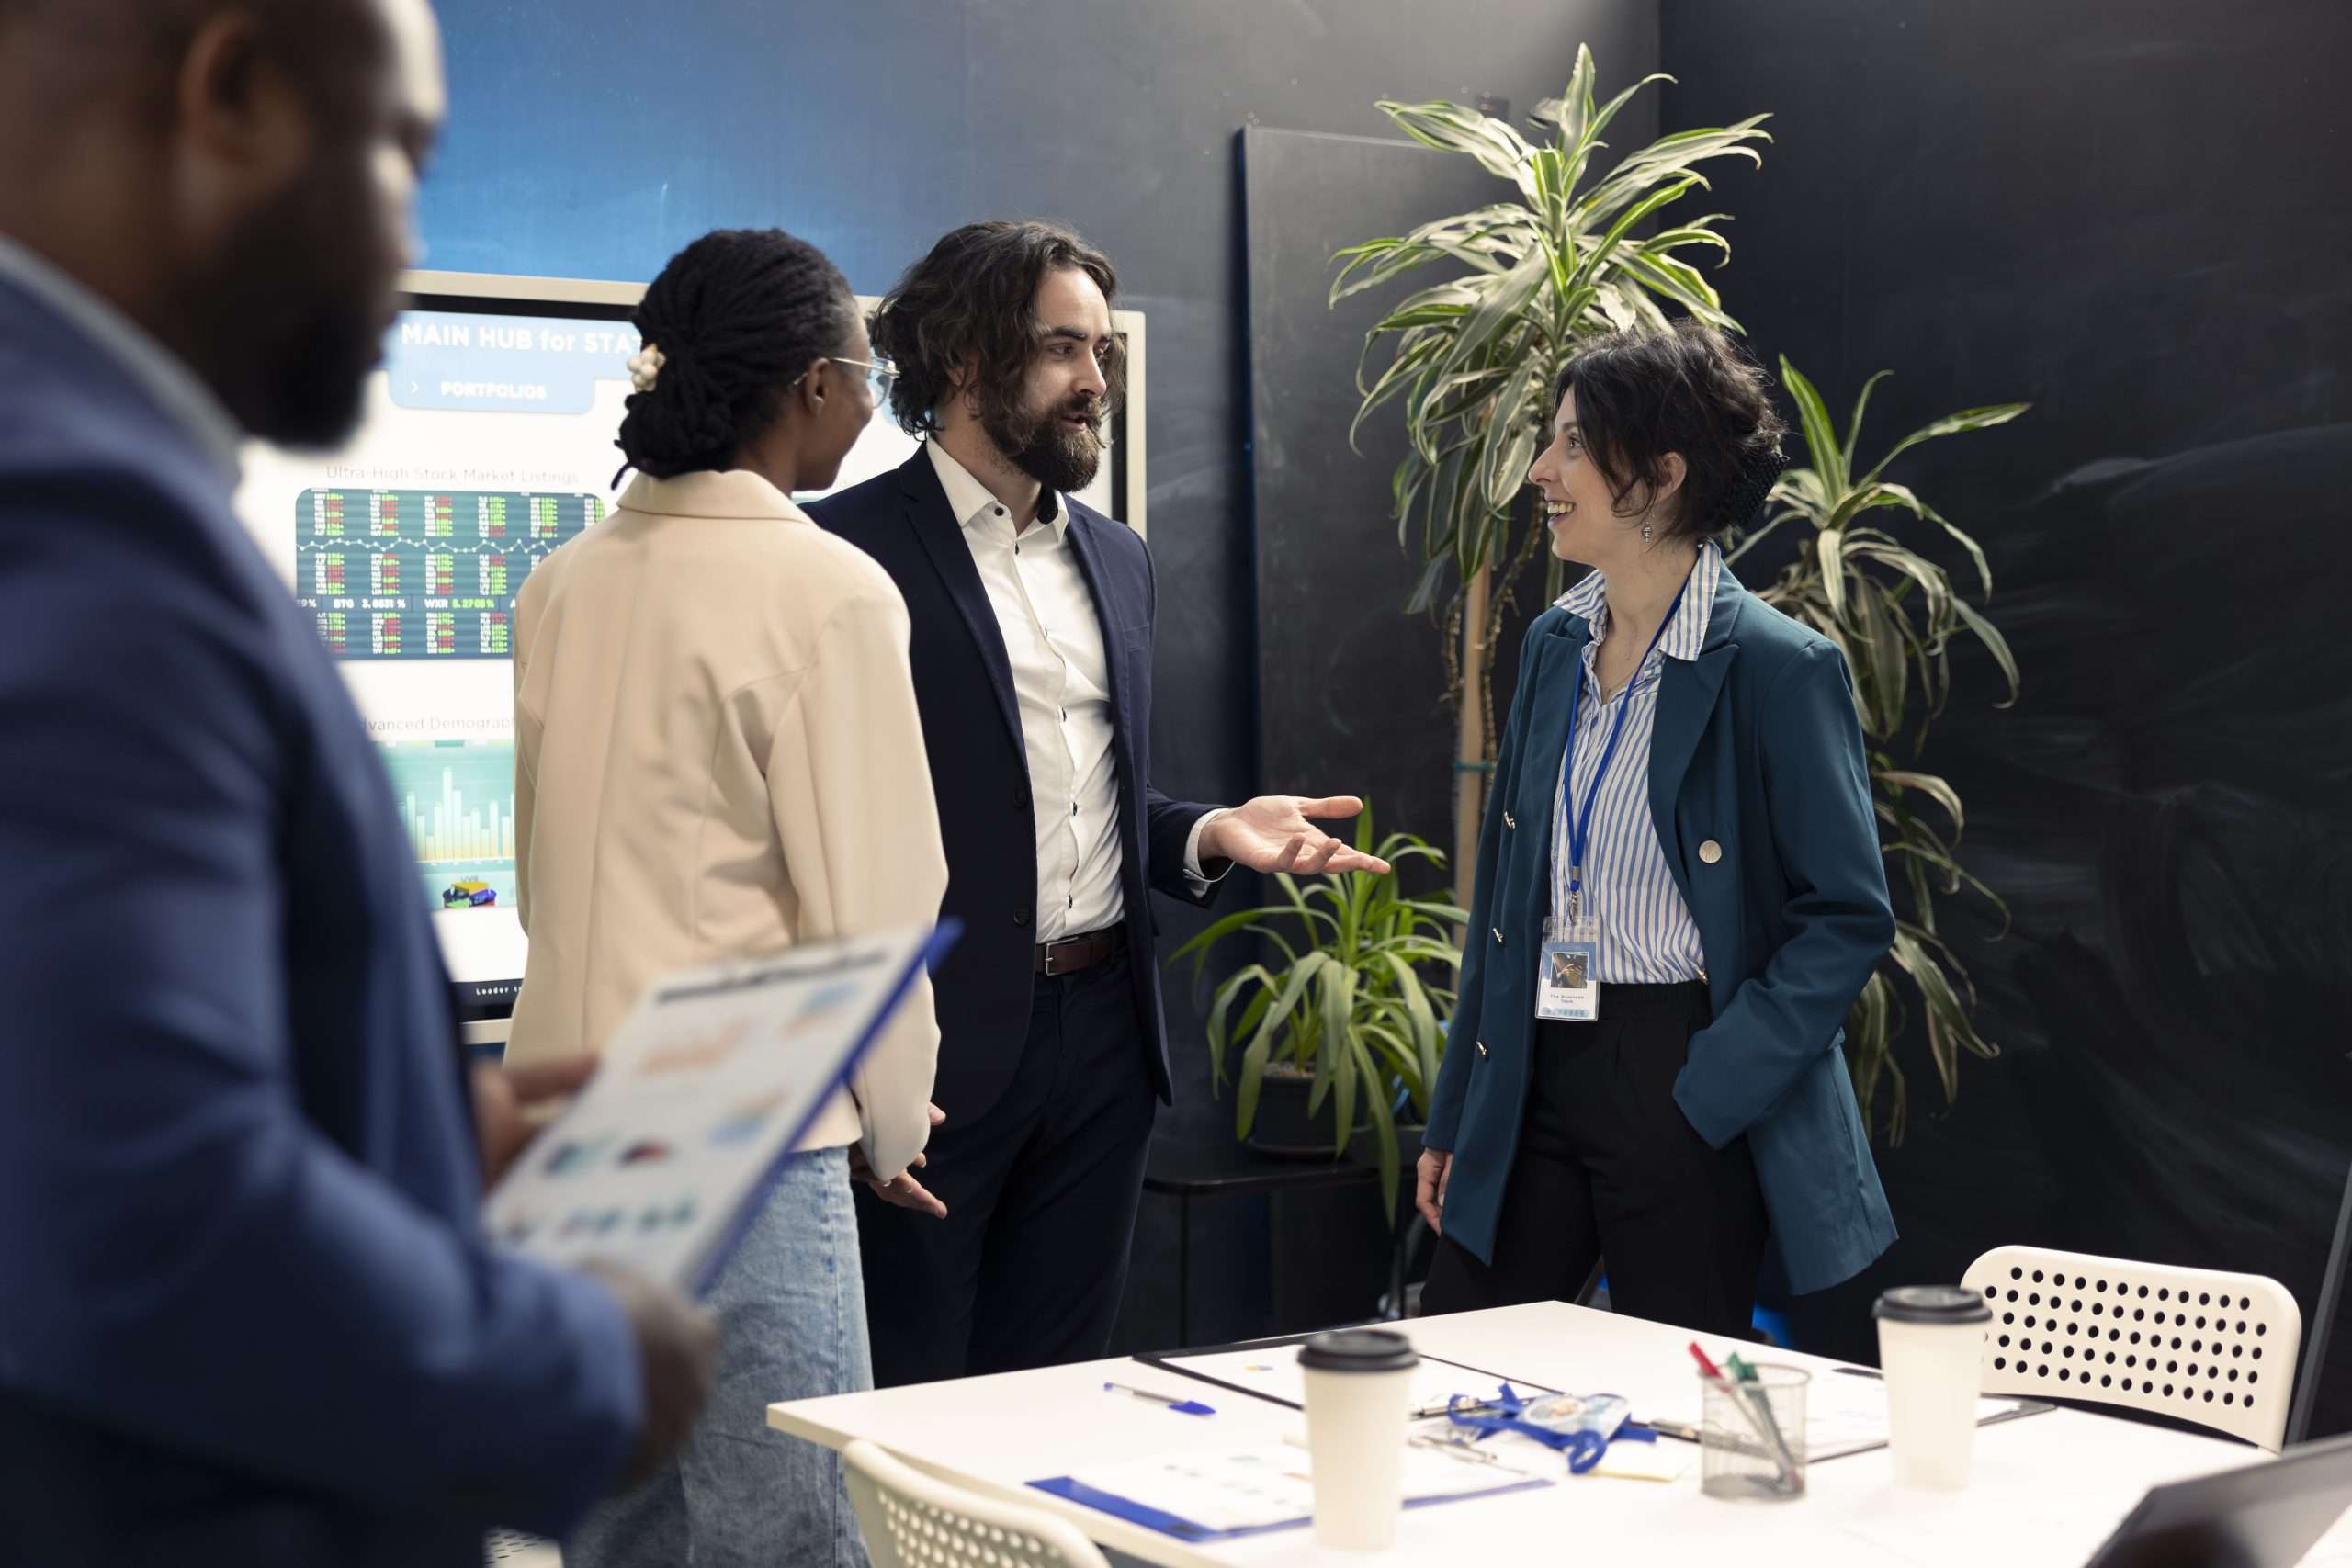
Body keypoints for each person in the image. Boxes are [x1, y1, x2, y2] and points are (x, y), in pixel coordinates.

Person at [0, 1, 715, 1563]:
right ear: (235, 89)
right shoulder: (75, 517)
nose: (405, 236)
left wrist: (396, 1134)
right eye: (398, 154)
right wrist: (589, 1365)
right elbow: (142, 1223)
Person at [811, 220, 1388, 1386]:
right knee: (916, 1404)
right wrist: (854, 1069)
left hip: (1105, 1052)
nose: (1094, 382)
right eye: (1063, 351)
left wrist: (1207, 834)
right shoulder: (842, 552)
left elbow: (1087, 797)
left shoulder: (1118, 556)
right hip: (932, 1059)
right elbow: (820, 839)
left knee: (1062, 1392)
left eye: (1101, 357)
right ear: (964, 362)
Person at [504, 227, 950, 1568]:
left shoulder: (560, 579)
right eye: (865, 375)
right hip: (741, 1130)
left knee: (614, 1532)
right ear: (811, 384)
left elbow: (540, 866)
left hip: (567, 1125)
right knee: (795, 1532)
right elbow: (874, 905)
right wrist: (892, 1119)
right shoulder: (826, 588)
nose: (872, 408)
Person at [1415, 321, 1899, 1334]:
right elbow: (1507, 897)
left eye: (1575, 445)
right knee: (1464, 1363)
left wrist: (1712, 1088)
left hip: (1680, 1066)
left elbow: (1847, 915)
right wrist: (1459, 1110)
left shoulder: (1780, 668)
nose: (1542, 469)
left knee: (1674, 1404)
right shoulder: (1553, 644)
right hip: (1536, 1051)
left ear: (1663, 474)